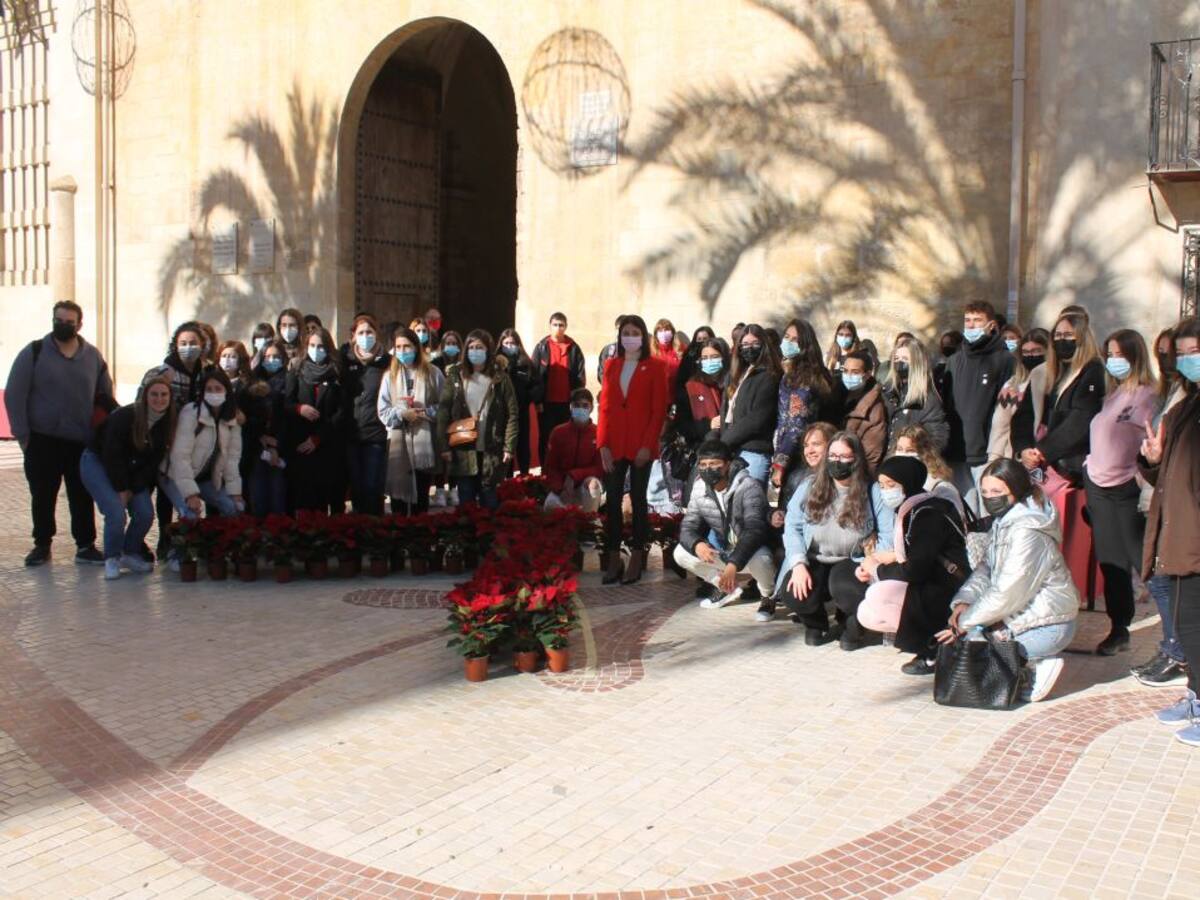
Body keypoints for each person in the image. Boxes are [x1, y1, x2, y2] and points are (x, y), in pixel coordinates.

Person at [937, 459, 1080, 703]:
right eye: (984, 492)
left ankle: (1036, 665)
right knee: (972, 637)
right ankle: (1021, 665)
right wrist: (964, 602)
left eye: (997, 492)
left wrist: (965, 623)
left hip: (1048, 624)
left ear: (1016, 490)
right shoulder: (1005, 522)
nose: (989, 498)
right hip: (1021, 614)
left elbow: (1008, 591)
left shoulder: (1028, 531)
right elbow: (986, 569)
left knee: (974, 641)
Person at [5, 301, 115, 566]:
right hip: (42, 440)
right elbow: (14, 394)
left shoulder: (92, 357)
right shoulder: (34, 352)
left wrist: (101, 432)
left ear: (79, 324)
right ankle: (42, 544)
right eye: (59, 320)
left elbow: (104, 395)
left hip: (80, 441)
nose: (63, 325)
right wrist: (23, 436)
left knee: (81, 494)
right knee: (43, 494)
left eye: (69, 321)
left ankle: (86, 545)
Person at [1012, 310, 1105, 604]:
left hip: (1068, 468)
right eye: (1059, 336)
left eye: (1070, 336)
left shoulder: (1092, 372)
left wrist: (1044, 451)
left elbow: (1080, 421)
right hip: (1038, 465)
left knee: (1062, 538)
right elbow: (1023, 416)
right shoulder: (1044, 373)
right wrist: (1024, 448)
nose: (1063, 341)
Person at [1140, 316, 1200, 746]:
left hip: (1193, 533)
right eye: (1185, 354)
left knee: (1195, 625)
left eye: (1196, 351)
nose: (1188, 360)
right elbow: (1172, 473)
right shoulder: (1186, 405)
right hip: (1177, 531)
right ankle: (1195, 695)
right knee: (1185, 622)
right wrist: (1154, 458)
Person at [776, 431, 894, 646]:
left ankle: (852, 623)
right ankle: (815, 623)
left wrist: (872, 562)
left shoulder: (872, 491)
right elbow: (792, 526)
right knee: (793, 591)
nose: (836, 461)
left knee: (849, 591)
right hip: (815, 558)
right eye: (832, 455)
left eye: (843, 456)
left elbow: (888, 533)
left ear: (856, 459)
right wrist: (798, 563)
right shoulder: (809, 486)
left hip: (853, 560)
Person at [855, 456, 970, 674]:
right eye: (882, 486)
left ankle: (934, 648)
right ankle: (929, 642)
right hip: (931, 581)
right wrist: (877, 563)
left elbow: (916, 568)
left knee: (878, 596)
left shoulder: (928, 513)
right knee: (868, 609)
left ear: (908, 483)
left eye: (892, 485)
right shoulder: (911, 509)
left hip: (946, 587)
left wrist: (877, 570)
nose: (886, 491)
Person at [1081, 329, 1157, 655]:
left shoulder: (1149, 395)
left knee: (1144, 560)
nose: (1113, 361)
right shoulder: (1112, 394)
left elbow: (1153, 442)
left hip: (1126, 486)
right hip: (1097, 486)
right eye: (1109, 355)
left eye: (1119, 355)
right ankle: (1119, 628)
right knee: (1111, 562)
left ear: (1134, 356)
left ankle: (1177, 630)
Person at [1131, 326, 1189, 686]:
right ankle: (1172, 648)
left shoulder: (1187, 398)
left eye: (1178, 353)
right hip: (1158, 499)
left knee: (1168, 585)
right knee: (1160, 583)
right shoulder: (1171, 394)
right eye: (1164, 353)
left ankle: (1177, 652)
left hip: (1181, 509)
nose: (1170, 360)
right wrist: (1153, 460)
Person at [80, 373, 175, 579]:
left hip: (133, 471)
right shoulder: (126, 416)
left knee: (145, 513)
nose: (159, 399)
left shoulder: (167, 423)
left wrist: (134, 487)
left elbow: (152, 464)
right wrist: (122, 488)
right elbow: (112, 453)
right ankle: (112, 557)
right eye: (154, 394)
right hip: (99, 462)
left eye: (164, 395)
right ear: (145, 396)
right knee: (115, 511)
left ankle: (129, 552)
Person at [597, 314, 668, 584]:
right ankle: (614, 557)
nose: (630, 337)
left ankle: (637, 557)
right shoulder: (611, 364)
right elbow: (604, 408)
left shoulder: (656, 366)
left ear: (643, 336)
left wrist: (647, 446)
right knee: (613, 501)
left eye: (635, 332)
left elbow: (657, 411)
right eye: (625, 332)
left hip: (641, 445)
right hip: (614, 443)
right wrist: (602, 444)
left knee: (638, 500)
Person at [674, 440, 776, 608]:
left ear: (728, 464)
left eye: (714, 464)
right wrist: (697, 544)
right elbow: (688, 527)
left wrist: (733, 564)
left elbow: (754, 530)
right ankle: (726, 587)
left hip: (751, 552)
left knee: (762, 559)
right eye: (703, 465)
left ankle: (768, 595)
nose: (708, 470)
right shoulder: (699, 487)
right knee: (681, 553)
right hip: (726, 550)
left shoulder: (748, 486)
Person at [436, 329, 518, 509]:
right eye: (471, 347)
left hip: (492, 448)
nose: (475, 351)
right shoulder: (455, 375)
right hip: (464, 449)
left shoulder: (500, 378)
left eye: (479, 347)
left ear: (488, 350)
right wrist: (444, 446)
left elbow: (512, 414)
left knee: (489, 497)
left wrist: (509, 446)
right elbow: (443, 412)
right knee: (466, 498)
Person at [943, 301, 1013, 512]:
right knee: (963, 512)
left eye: (977, 320)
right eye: (968, 321)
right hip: (956, 451)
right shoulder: (954, 361)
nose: (971, 326)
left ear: (991, 325)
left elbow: (1006, 410)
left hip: (985, 453)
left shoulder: (1005, 360)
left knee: (988, 512)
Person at [162, 368, 243, 526]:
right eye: (209, 389)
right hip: (174, 475)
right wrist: (190, 494)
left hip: (205, 478)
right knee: (190, 515)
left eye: (218, 389)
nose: (213, 393)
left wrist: (235, 491)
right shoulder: (191, 413)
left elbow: (232, 458)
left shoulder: (231, 419)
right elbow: (180, 456)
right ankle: (178, 550)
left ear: (226, 391)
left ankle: (220, 547)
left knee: (233, 507)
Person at [378, 326, 445, 515]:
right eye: (398, 347)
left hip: (424, 442)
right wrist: (401, 414)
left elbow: (445, 406)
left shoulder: (433, 373)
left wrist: (425, 412)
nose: (402, 351)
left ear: (416, 347)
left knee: (420, 499)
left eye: (406, 346)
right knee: (398, 499)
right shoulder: (388, 376)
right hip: (399, 444)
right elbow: (383, 411)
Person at [284, 327, 346, 513]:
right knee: (304, 499)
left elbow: (341, 412)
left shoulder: (336, 373)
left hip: (328, 444)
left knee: (327, 496)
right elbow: (287, 402)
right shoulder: (297, 369)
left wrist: (319, 438)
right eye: (312, 345)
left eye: (320, 346)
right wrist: (299, 408)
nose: (316, 350)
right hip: (301, 443)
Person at [771, 318, 832, 489]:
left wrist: (780, 464)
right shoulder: (800, 373)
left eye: (794, 340)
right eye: (787, 337)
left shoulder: (801, 380)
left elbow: (796, 425)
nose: (788, 342)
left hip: (799, 457)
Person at [719, 324, 781, 484]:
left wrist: (724, 442)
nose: (749, 348)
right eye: (745, 344)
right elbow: (726, 412)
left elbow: (757, 419)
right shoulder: (735, 375)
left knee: (750, 504)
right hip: (732, 450)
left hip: (754, 451)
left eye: (755, 343)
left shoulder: (769, 375)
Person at [341, 314, 390, 515]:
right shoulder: (344, 361)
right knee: (357, 485)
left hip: (375, 433)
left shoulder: (386, 361)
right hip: (351, 433)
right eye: (361, 332)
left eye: (369, 332)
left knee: (372, 486)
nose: (365, 336)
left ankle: (375, 528)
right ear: (353, 336)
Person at [241, 339, 290, 516]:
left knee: (278, 499)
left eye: (276, 356)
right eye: (267, 356)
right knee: (258, 498)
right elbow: (246, 417)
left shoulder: (289, 380)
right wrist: (261, 438)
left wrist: (276, 445)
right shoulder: (252, 383)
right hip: (256, 449)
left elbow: (288, 419)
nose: (271, 360)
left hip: (281, 449)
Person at [532, 311, 587, 465]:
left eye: (561, 325)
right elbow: (535, 375)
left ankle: (564, 467)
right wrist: (537, 400)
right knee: (545, 438)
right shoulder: (541, 347)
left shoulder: (574, 348)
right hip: (546, 404)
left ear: (566, 327)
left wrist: (577, 401)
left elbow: (580, 376)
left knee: (567, 437)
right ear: (550, 326)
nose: (558, 328)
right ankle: (545, 469)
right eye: (555, 325)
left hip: (567, 404)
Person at [987, 328, 1049, 462]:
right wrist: (994, 459)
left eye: (1037, 351)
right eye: (1026, 352)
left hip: (1047, 454)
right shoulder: (1012, 385)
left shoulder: (1057, 382)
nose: (1031, 356)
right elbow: (1000, 426)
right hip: (1016, 455)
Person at [543, 388, 604, 513]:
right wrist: (560, 488)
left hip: (585, 484)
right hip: (562, 487)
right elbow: (550, 467)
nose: (581, 409)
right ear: (570, 407)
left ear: (591, 408)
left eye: (585, 405)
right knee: (550, 509)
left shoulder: (599, 433)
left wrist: (574, 475)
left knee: (594, 485)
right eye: (577, 405)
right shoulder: (558, 432)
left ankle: (590, 524)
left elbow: (599, 468)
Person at [882, 335, 948, 450]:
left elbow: (937, 439)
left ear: (917, 362)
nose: (900, 363)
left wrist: (911, 454)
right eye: (896, 359)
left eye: (905, 359)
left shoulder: (928, 399)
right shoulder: (888, 392)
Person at [891, 424, 963, 517]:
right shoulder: (895, 481)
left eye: (910, 450)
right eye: (899, 449)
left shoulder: (940, 486)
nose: (903, 454)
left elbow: (956, 519)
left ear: (923, 453)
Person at [497, 329, 543, 475]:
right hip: (501, 413)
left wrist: (529, 398)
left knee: (523, 447)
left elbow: (536, 385)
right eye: (506, 343)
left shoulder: (525, 363)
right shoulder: (496, 363)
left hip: (521, 411)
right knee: (504, 447)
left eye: (512, 343)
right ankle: (505, 478)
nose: (509, 346)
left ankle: (523, 477)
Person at [836, 351, 888, 473]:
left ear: (868, 374)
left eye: (855, 372)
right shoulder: (835, 396)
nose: (848, 376)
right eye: (845, 371)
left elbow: (871, 457)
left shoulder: (874, 410)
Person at [651, 318, 688, 400]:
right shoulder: (651, 352)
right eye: (660, 331)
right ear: (656, 334)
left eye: (667, 330)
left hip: (677, 397)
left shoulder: (681, 349)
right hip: (657, 397)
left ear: (672, 332)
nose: (664, 334)